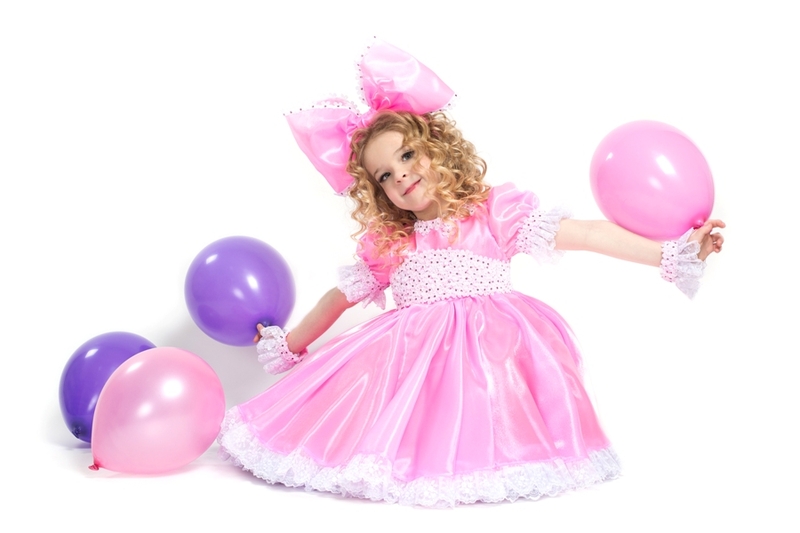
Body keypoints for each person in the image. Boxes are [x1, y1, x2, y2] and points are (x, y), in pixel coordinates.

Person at [217, 42, 724, 507]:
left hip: (492, 352)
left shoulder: (493, 211)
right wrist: (289, 344)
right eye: (385, 175)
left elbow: (587, 234)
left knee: (489, 401)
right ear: (378, 191)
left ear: (435, 146)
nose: (401, 175)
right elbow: (338, 299)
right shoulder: (392, 243)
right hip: (409, 360)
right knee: (376, 407)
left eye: (407, 155)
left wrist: (669, 254)